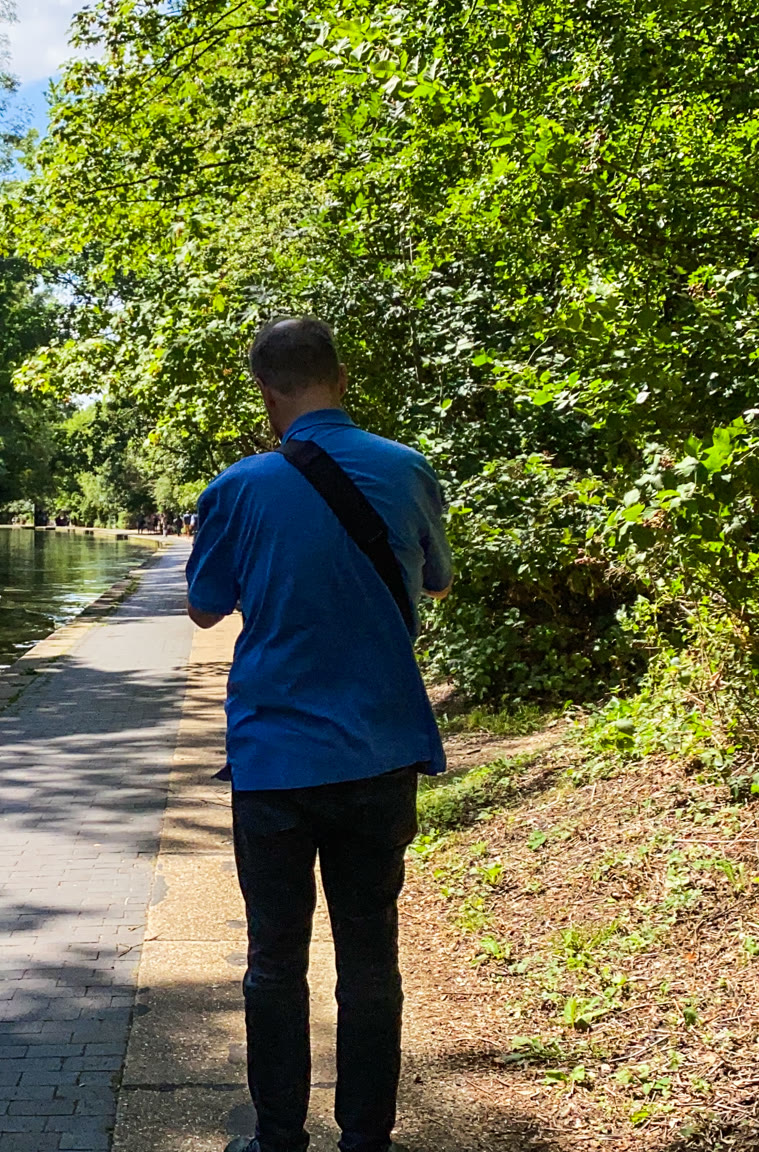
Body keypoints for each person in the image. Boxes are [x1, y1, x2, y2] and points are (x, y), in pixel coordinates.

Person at [186, 318, 452, 1152]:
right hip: (379, 752)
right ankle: (367, 1141)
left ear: (266, 392)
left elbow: (204, 607)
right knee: (371, 959)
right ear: (341, 378)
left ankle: (278, 1140)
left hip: (274, 759)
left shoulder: (238, 487)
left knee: (275, 962)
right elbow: (437, 582)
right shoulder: (407, 468)